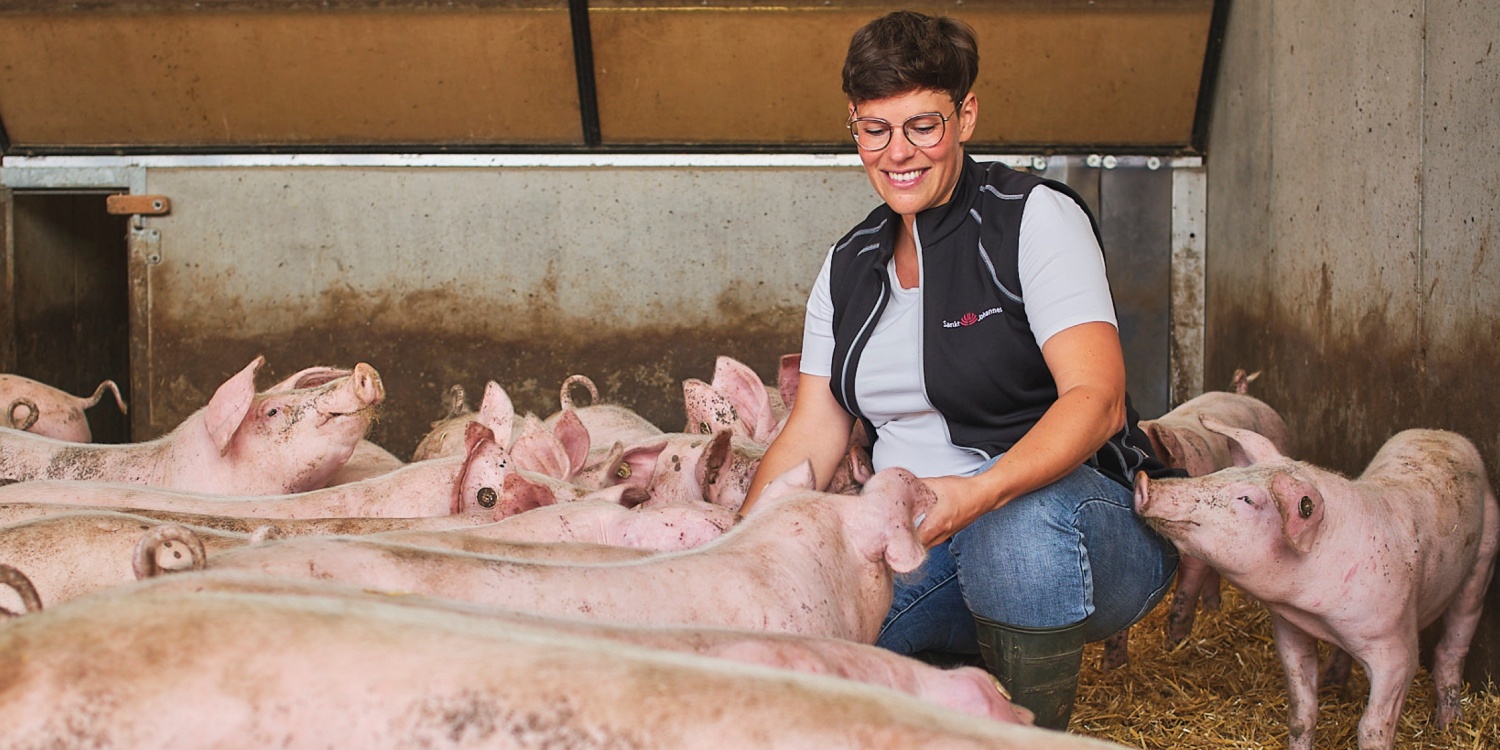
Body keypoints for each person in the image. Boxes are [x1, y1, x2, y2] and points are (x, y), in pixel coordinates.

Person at [736, 10, 1180, 731]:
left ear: (965, 115)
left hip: (1077, 527)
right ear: (853, 126)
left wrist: (977, 493)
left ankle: (1032, 736)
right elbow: (811, 432)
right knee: (813, 651)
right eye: (874, 129)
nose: (897, 152)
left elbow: (1096, 400)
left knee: (1015, 525)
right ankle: (951, 677)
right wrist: (743, 561)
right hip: (920, 539)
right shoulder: (849, 266)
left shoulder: (1032, 220)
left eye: (923, 125)